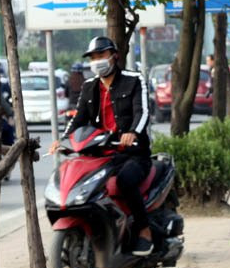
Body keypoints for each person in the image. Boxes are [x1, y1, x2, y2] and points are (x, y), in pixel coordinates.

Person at [53, 36, 154, 256]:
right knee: (80, 183)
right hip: (100, 155)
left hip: (133, 154)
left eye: (101, 55)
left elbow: (143, 111)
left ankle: (143, 230)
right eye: (93, 57)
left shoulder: (134, 79)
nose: (97, 60)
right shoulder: (89, 87)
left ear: (114, 56)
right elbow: (78, 118)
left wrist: (132, 132)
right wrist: (63, 140)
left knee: (125, 181)